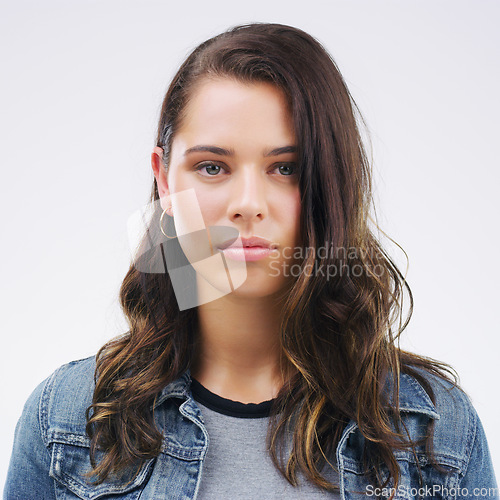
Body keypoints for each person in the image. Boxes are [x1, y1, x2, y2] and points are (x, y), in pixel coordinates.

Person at [4, 22, 498, 500]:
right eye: (212, 167)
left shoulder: (437, 434)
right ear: (164, 179)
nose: (247, 203)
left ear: (333, 183)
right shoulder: (66, 423)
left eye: (286, 168)